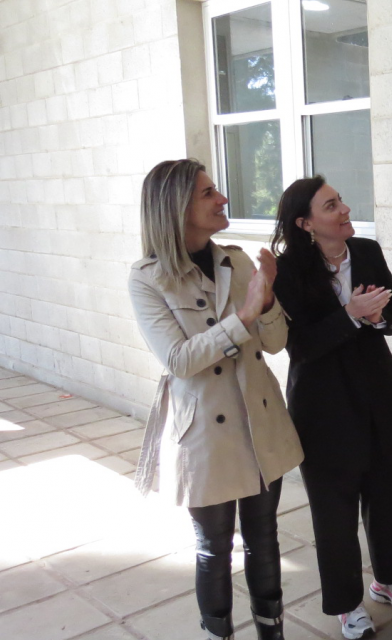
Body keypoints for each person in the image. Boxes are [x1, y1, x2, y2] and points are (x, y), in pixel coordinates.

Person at [128, 159, 303, 640]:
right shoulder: (147, 278)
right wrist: (243, 317)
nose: (222, 198)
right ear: (175, 206)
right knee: (214, 548)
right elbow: (179, 360)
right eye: (208, 193)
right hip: (205, 431)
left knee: (264, 540)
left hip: (259, 420)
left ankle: (272, 633)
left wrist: (268, 301)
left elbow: (276, 343)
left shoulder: (237, 260)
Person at [271, 177, 392, 639]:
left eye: (340, 201)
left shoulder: (367, 251)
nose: (344, 209)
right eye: (331, 205)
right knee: (334, 514)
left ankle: (390, 580)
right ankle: (347, 604)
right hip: (323, 408)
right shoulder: (288, 269)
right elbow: (298, 346)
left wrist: (379, 318)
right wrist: (351, 315)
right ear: (305, 223)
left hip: (380, 396)